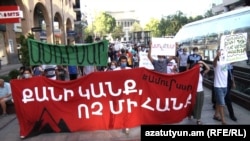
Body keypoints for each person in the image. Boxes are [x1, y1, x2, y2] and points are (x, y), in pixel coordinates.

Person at [213, 49, 228, 125]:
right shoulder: (217, 63)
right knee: (222, 103)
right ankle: (223, 120)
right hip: (218, 86)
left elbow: (234, 61)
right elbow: (214, 63)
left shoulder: (226, 62)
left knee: (219, 101)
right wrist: (217, 56)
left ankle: (216, 114)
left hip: (225, 86)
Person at [192, 61, 210, 125]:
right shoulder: (192, 74)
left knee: (199, 106)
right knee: (192, 105)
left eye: (201, 66)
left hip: (200, 91)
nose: (201, 67)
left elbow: (208, 68)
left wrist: (203, 62)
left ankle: (198, 119)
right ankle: (191, 114)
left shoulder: (202, 73)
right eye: (199, 66)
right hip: (193, 92)